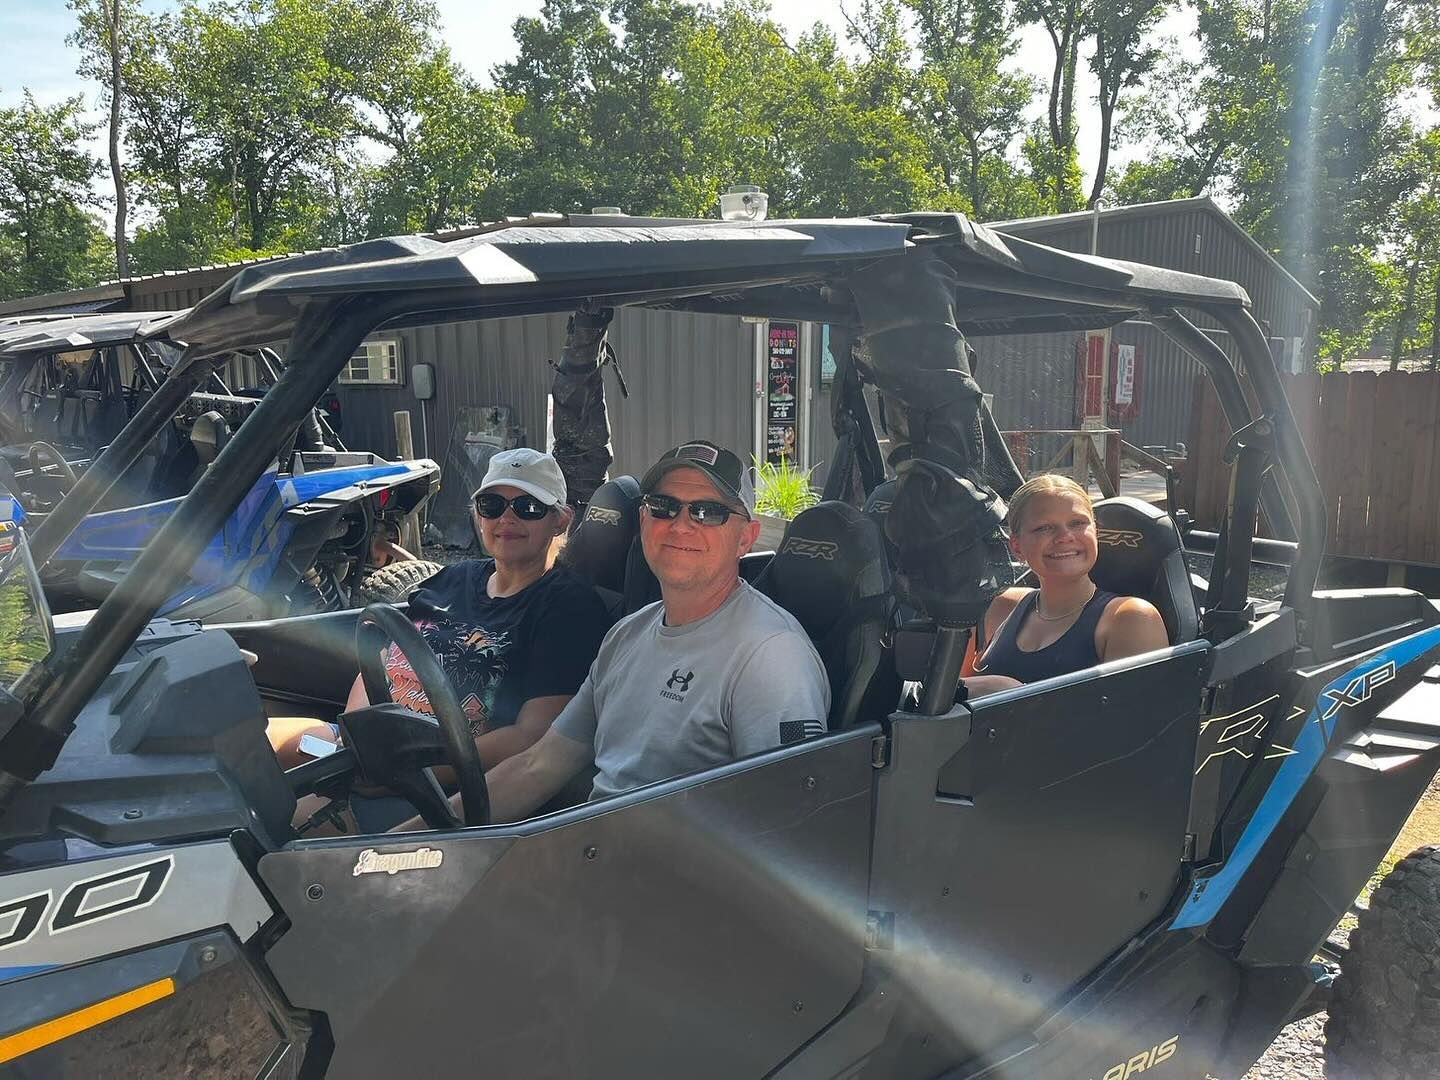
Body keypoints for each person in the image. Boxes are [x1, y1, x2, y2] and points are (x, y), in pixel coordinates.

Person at [395, 439, 831, 829]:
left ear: (746, 538)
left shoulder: (770, 657)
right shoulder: (627, 635)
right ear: (643, 521)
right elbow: (538, 765)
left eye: (708, 512)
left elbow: (785, 824)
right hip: (591, 855)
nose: (681, 525)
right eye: (663, 507)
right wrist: (418, 837)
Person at [272, 448, 611, 828]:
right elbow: (381, 663)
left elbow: (532, 737)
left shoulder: (569, 609)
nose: (507, 519)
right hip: (370, 752)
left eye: (529, 508)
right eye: (492, 505)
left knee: (283, 819)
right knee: (246, 746)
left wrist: (404, 768)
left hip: (442, 783)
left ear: (560, 521)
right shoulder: (454, 579)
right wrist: (359, 739)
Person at [966, 473, 1169, 694]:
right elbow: (948, 697)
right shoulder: (1002, 606)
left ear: (1095, 532)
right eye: (1044, 527)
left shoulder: (1130, 617)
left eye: (1078, 523)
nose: (1065, 536)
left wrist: (1010, 692)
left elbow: (1134, 721)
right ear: (1016, 547)